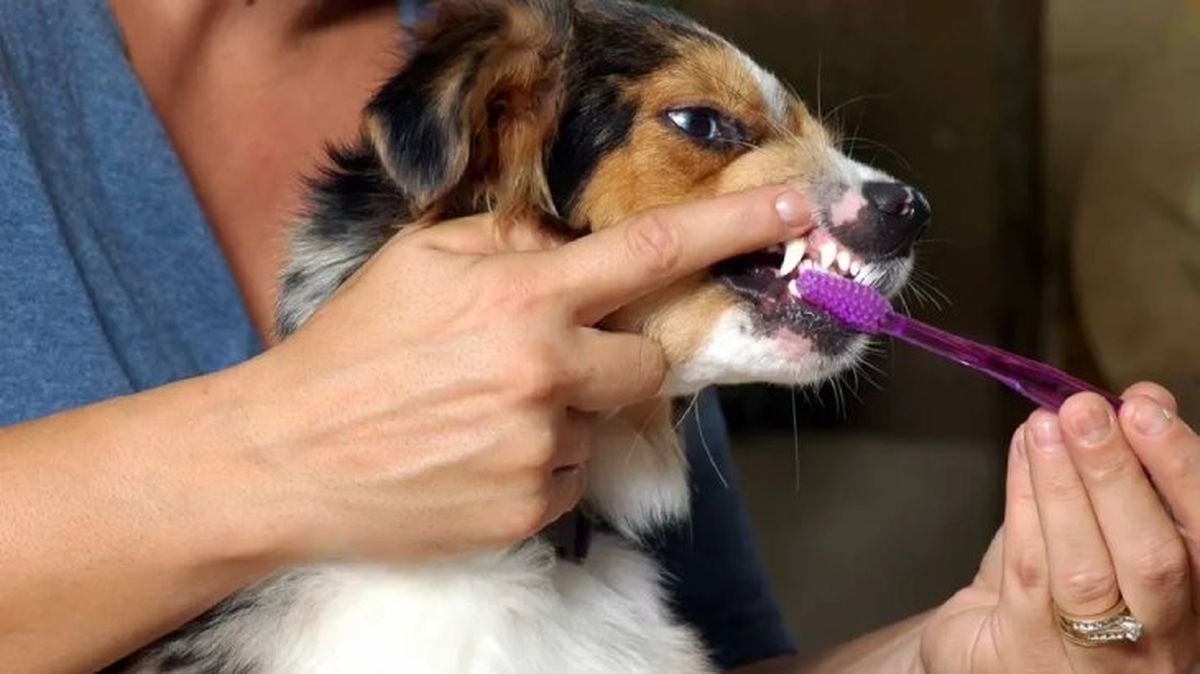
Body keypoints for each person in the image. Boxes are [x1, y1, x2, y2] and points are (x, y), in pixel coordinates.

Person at [1, 2, 1197, 673]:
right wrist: (285, 453)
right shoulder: (518, 86)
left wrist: (976, 655)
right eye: (706, 130)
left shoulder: (567, 82)